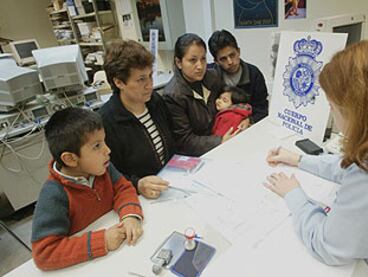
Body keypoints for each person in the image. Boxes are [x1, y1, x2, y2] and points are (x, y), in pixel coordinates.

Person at [264, 39, 368, 277]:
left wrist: (294, 194)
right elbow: (351, 166)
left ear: (361, 113)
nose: (332, 113)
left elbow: (327, 245)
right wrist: (299, 160)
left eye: (333, 106)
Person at [32, 108, 144, 270]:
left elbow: (123, 188)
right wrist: (102, 241)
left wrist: (130, 215)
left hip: (119, 255)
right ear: (70, 159)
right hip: (88, 266)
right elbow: (44, 254)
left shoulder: (102, 168)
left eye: (104, 142)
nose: (107, 150)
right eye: (97, 146)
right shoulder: (54, 195)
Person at [99, 39, 174, 199]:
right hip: (138, 197)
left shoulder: (155, 101)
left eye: (150, 76)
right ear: (119, 82)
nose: (150, 85)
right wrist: (138, 184)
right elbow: (107, 175)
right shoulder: (106, 122)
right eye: (141, 79)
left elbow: (172, 145)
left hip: (168, 185)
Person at [164, 33, 239, 156]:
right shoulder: (173, 95)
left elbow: (231, 100)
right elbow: (185, 141)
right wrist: (220, 141)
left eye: (203, 59)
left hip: (222, 142)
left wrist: (245, 118)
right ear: (178, 62)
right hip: (197, 155)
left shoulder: (213, 76)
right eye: (192, 60)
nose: (200, 66)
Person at [208, 29, 268, 124]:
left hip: (248, 129)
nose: (230, 62)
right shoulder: (209, 75)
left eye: (232, 55)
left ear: (238, 51)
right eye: (223, 59)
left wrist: (249, 121)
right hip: (218, 128)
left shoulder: (254, 74)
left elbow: (262, 109)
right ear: (216, 61)